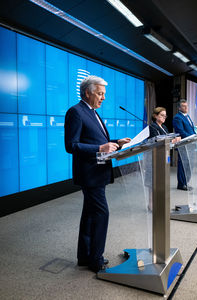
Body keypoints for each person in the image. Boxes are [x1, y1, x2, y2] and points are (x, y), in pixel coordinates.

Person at [64, 75, 131, 273]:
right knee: (102, 213)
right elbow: (71, 145)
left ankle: (84, 256)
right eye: (100, 94)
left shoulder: (92, 112)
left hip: (98, 172)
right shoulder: (75, 112)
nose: (103, 98)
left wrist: (117, 142)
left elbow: (96, 139)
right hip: (89, 173)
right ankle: (96, 259)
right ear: (88, 92)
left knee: (90, 215)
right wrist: (100, 148)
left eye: (104, 94)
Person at [173, 99, 195, 191]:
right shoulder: (177, 117)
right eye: (183, 106)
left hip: (190, 144)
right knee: (183, 165)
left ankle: (186, 182)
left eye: (187, 105)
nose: (186, 107)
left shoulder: (187, 116)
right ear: (179, 107)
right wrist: (193, 137)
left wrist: (195, 136)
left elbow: (191, 129)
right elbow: (180, 131)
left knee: (189, 165)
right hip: (184, 145)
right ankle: (181, 184)